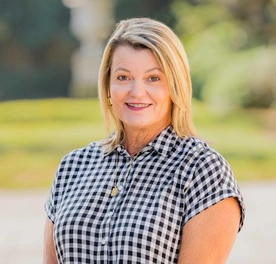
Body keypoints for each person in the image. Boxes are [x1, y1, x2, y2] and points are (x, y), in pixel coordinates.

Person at [43, 17, 245, 263]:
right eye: (123, 77)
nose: (137, 92)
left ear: (175, 86)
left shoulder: (202, 171)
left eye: (153, 78)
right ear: (107, 86)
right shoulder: (73, 166)